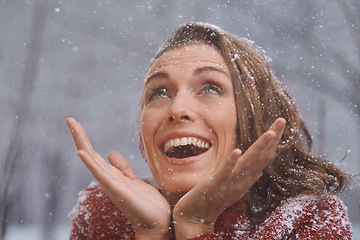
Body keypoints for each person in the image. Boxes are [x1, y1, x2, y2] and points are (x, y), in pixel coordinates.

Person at [66, 22, 353, 239]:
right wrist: (148, 231)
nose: (177, 108)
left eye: (211, 88)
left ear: (252, 116)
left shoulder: (308, 220)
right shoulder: (103, 214)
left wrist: (196, 225)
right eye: (158, 93)